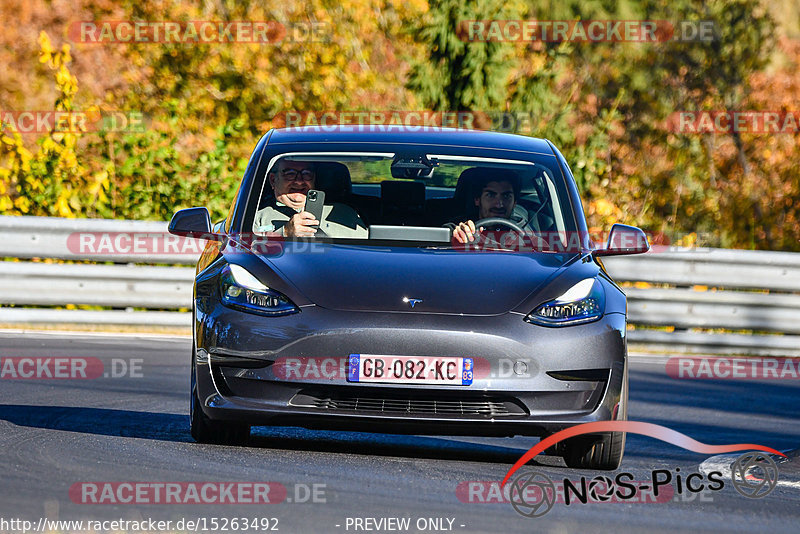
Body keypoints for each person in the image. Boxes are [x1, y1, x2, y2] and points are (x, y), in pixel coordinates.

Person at [254, 159, 367, 238]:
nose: (299, 181)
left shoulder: (344, 212)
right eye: (290, 173)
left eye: (306, 173)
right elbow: (248, 254)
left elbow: (365, 252)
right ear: (273, 180)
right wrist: (284, 233)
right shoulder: (255, 217)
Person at [452, 171, 527, 244]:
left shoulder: (526, 231)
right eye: (490, 195)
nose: (499, 205)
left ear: (515, 202)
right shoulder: (462, 228)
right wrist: (458, 236)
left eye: (506, 196)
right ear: (477, 199)